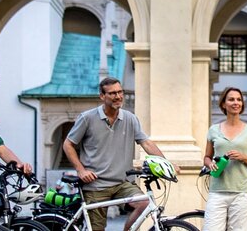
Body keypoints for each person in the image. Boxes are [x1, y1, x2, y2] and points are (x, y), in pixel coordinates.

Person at [62, 77, 170, 231]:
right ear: (102, 96)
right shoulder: (87, 118)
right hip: (95, 185)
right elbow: (68, 144)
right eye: (112, 93)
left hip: (122, 183)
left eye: (120, 92)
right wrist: (81, 170)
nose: (118, 96)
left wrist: (165, 163)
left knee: (144, 203)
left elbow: (146, 143)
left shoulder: (130, 118)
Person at [202, 87, 247, 231]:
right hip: (217, 192)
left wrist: (243, 157)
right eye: (231, 99)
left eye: (239, 99)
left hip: (241, 193)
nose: (236, 102)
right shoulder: (213, 130)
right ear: (223, 104)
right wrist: (210, 164)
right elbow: (206, 157)